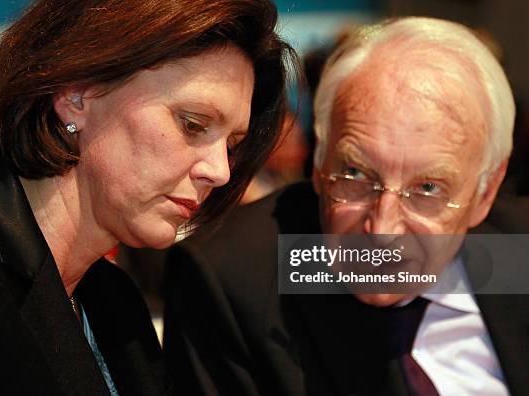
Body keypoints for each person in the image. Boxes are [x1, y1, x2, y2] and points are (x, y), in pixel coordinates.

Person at [0, 0, 297, 394]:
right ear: (77, 94)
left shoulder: (114, 303)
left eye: (231, 145)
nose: (220, 171)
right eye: (193, 124)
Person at [164, 17, 529, 395]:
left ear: (486, 192)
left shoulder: (519, 252)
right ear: (320, 162)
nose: (383, 229)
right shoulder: (236, 278)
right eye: (355, 173)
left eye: (428, 188)